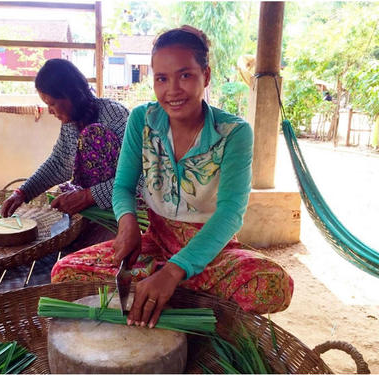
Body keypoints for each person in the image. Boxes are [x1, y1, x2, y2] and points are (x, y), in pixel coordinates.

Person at [51, 26, 294, 327]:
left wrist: (173, 271)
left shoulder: (233, 133)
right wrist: (127, 224)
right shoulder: (143, 120)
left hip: (210, 252)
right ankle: (175, 293)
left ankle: (164, 287)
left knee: (274, 284)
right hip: (154, 244)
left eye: (185, 75)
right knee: (65, 271)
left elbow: (231, 214)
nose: (172, 90)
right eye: (161, 79)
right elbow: (124, 186)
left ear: (206, 75)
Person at [1, 59, 129, 217]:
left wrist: (88, 196)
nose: (50, 111)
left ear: (71, 95)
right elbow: (59, 163)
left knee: (92, 134)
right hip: (97, 205)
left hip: (124, 206)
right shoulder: (71, 122)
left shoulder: (114, 115)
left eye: (52, 103)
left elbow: (139, 173)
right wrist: (23, 192)